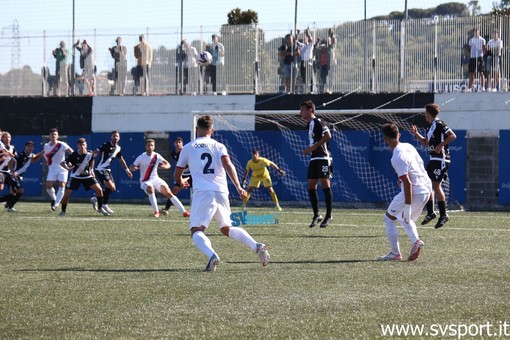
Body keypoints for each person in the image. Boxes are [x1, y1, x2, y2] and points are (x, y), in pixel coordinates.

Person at [174, 115, 270, 272]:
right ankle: (256, 246)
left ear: (196, 129)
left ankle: (212, 255)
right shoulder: (219, 146)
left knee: (196, 230)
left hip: (203, 193)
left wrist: (180, 182)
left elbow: (177, 173)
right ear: (212, 130)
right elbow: (228, 164)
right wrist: (239, 187)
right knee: (227, 228)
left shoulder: (188, 147)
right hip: (221, 192)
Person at [378, 123, 431, 262]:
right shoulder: (408, 145)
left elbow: (408, 183)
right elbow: (418, 167)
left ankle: (398, 252)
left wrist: (407, 206)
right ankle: (414, 242)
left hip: (415, 190)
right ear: (399, 135)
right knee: (406, 220)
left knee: (390, 218)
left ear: (385, 140)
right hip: (426, 188)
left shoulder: (396, 157)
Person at [411, 103, 457, 229]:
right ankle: (431, 212)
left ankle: (443, 215)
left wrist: (440, 145)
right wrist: (416, 134)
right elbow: (426, 143)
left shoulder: (439, 123)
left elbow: (452, 135)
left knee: (435, 185)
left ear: (430, 114)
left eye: (426, 113)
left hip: (441, 159)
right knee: (427, 184)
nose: (424, 115)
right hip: (433, 159)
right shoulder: (430, 127)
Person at [129, 139, 190, 218]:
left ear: (154, 147)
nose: (150, 147)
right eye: (148, 145)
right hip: (145, 181)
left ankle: (184, 212)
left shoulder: (157, 156)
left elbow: (168, 164)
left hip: (156, 179)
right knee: (150, 188)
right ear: (145, 147)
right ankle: (156, 212)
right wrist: (132, 168)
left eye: (152, 145)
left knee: (168, 192)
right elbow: (132, 166)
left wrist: (165, 166)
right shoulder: (141, 157)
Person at [299, 100, 333, 228]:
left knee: (325, 183)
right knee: (311, 186)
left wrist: (312, 148)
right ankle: (317, 214)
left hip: (324, 157)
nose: (300, 112)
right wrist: (311, 150)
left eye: (302, 109)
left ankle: (329, 215)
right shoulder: (308, 125)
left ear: (310, 110)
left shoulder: (319, 122)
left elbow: (328, 135)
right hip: (314, 158)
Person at [59, 138, 109, 217]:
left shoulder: (90, 153)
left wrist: (91, 170)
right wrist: (67, 168)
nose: (82, 146)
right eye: (80, 145)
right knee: (67, 193)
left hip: (87, 176)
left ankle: (100, 208)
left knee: (99, 190)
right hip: (76, 176)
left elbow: (92, 160)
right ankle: (63, 211)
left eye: (83, 144)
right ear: (77, 146)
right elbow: (62, 163)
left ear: (86, 145)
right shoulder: (74, 155)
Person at [90, 130, 133, 214]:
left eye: (117, 136)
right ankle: (103, 204)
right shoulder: (106, 145)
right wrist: (92, 155)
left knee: (112, 188)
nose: (115, 137)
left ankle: (97, 200)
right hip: (100, 168)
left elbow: (121, 159)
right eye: (114, 136)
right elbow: (96, 151)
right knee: (109, 186)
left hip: (107, 169)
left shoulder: (118, 148)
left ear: (119, 138)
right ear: (111, 137)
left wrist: (127, 170)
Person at [0, 141, 42, 212]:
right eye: (29, 146)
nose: (30, 148)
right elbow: (10, 162)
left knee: (13, 194)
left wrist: (42, 153)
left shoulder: (31, 155)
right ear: (25, 147)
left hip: (17, 176)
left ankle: (9, 204)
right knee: (20, 191)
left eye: (32, 147)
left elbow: (34, 159)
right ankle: (10, 206)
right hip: (12, 176)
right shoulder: (21, 155)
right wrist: (13, 171)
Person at [43, 128, 74, 211]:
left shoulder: (62, 144)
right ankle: (54, 198)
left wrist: (71, 161)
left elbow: (72, 152)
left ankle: (56, 204)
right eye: (52, 134)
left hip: (62, 168)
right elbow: (46, 155)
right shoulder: (46, 146)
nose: (53, 136)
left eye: (55, 134)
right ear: (49, 136)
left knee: (62, 185)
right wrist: (48, 162)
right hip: (52, 169)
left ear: (58, 136)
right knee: (48, 186)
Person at [161, 137, 192, 215]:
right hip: (182, 175)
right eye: (176, 142)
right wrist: (179, 175)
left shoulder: (186, 151)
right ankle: (166, 209)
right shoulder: (173, 154)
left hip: (192, 175)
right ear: (174, 144)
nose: (178, 144)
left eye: (179, 142)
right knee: (173, 191)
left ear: (182, 143)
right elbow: (177, 164)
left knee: (198, 191)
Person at [467, 27, 486, 92]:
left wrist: (482, 55)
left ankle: (482, 87)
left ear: (479, 32)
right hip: (472, 57)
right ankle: (469, 88)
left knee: (481, 72)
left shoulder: (482, 40)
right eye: (475, 32)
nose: (476, 33)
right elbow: (469, 49)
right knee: (472, 73)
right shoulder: (471, 40)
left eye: (477, 31)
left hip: (479, 57)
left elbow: (484, 49)